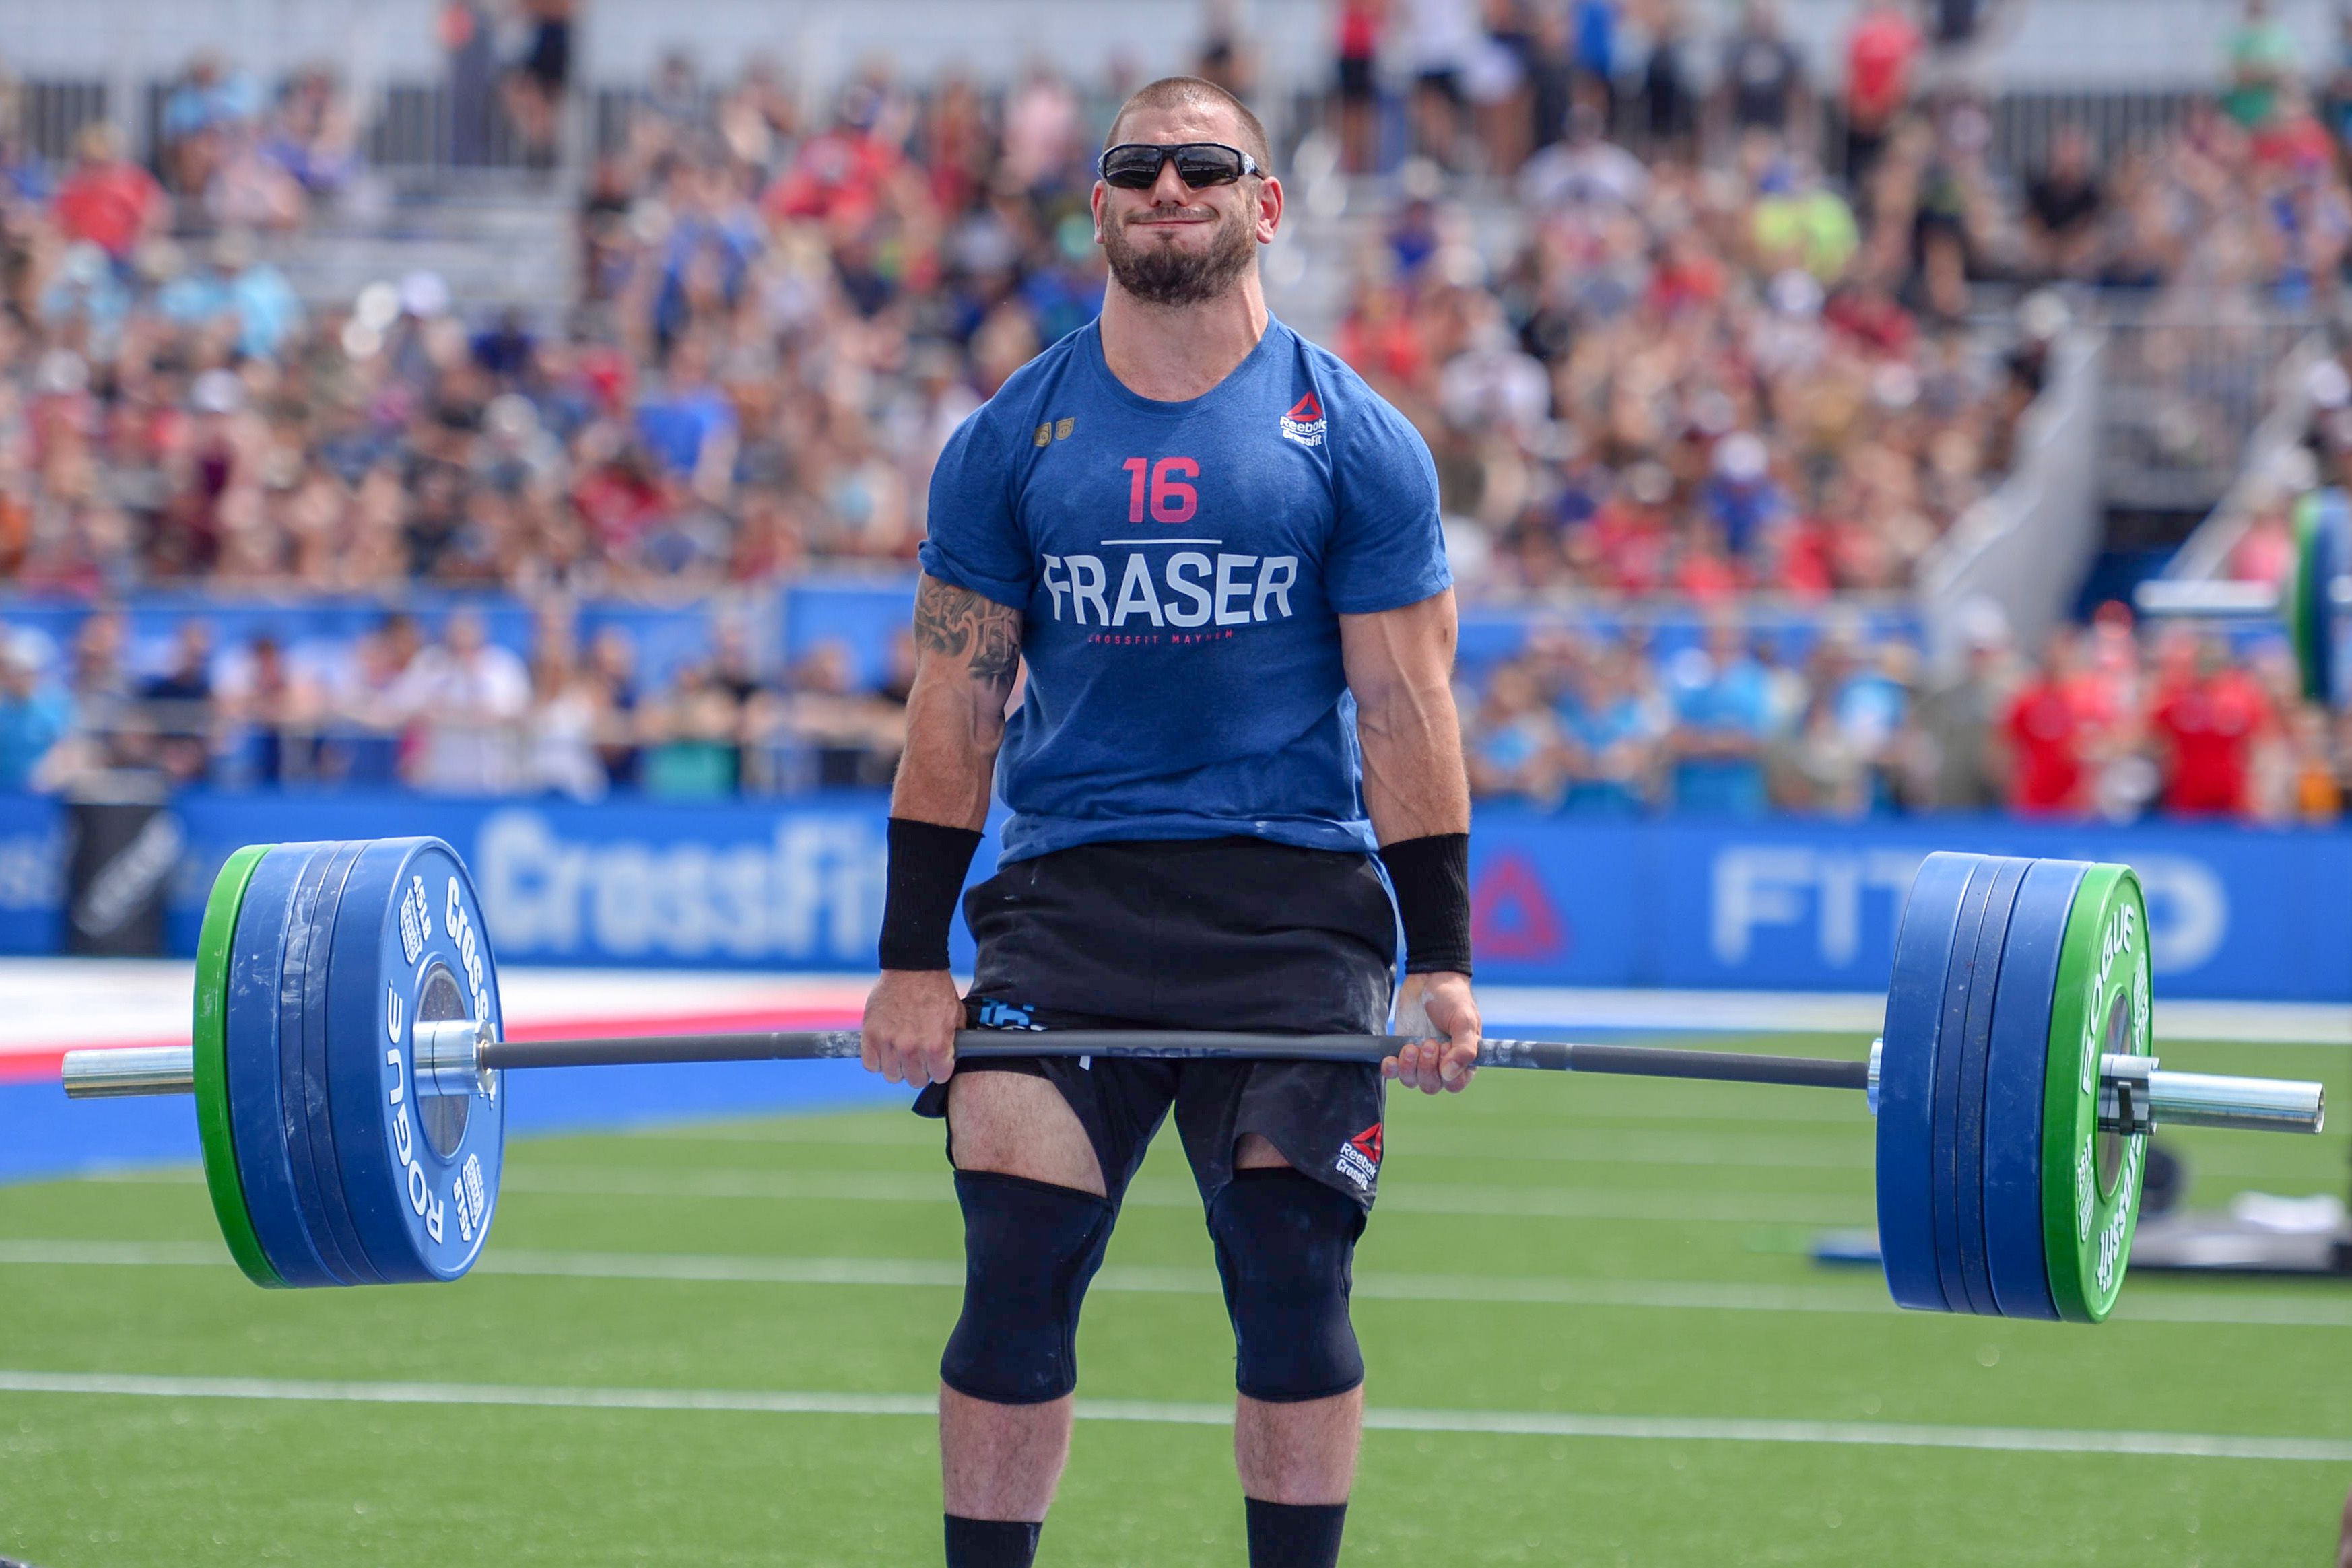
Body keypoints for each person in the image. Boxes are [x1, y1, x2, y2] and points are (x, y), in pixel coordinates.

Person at [858, 75, 1479, 1568]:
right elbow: (954, 705)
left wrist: (1440, 958)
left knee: (1287, 1277)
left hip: (1294, 909)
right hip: (1068, 903)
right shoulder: (1006, 439)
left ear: (1263, 205)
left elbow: (1404, 710)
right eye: (1136, 166)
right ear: (1099, 208)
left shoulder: (1360, 438)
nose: (1167, 187)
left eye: (1205, 166)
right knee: (1014, 1264)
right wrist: (906, 956)